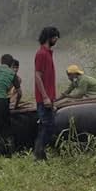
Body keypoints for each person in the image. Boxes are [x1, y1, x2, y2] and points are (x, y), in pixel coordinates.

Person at [33, 27, 60, 160]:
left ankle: (41, 154)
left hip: (49, 98)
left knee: (49, 126)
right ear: (49, 37)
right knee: (45, 126)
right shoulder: (41, 54)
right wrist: (45, 97)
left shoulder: (48, 53)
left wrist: (52, 98)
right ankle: (38, 155)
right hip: (44, 99)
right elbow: (38, 76)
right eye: (55, 37)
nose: (56, 40)